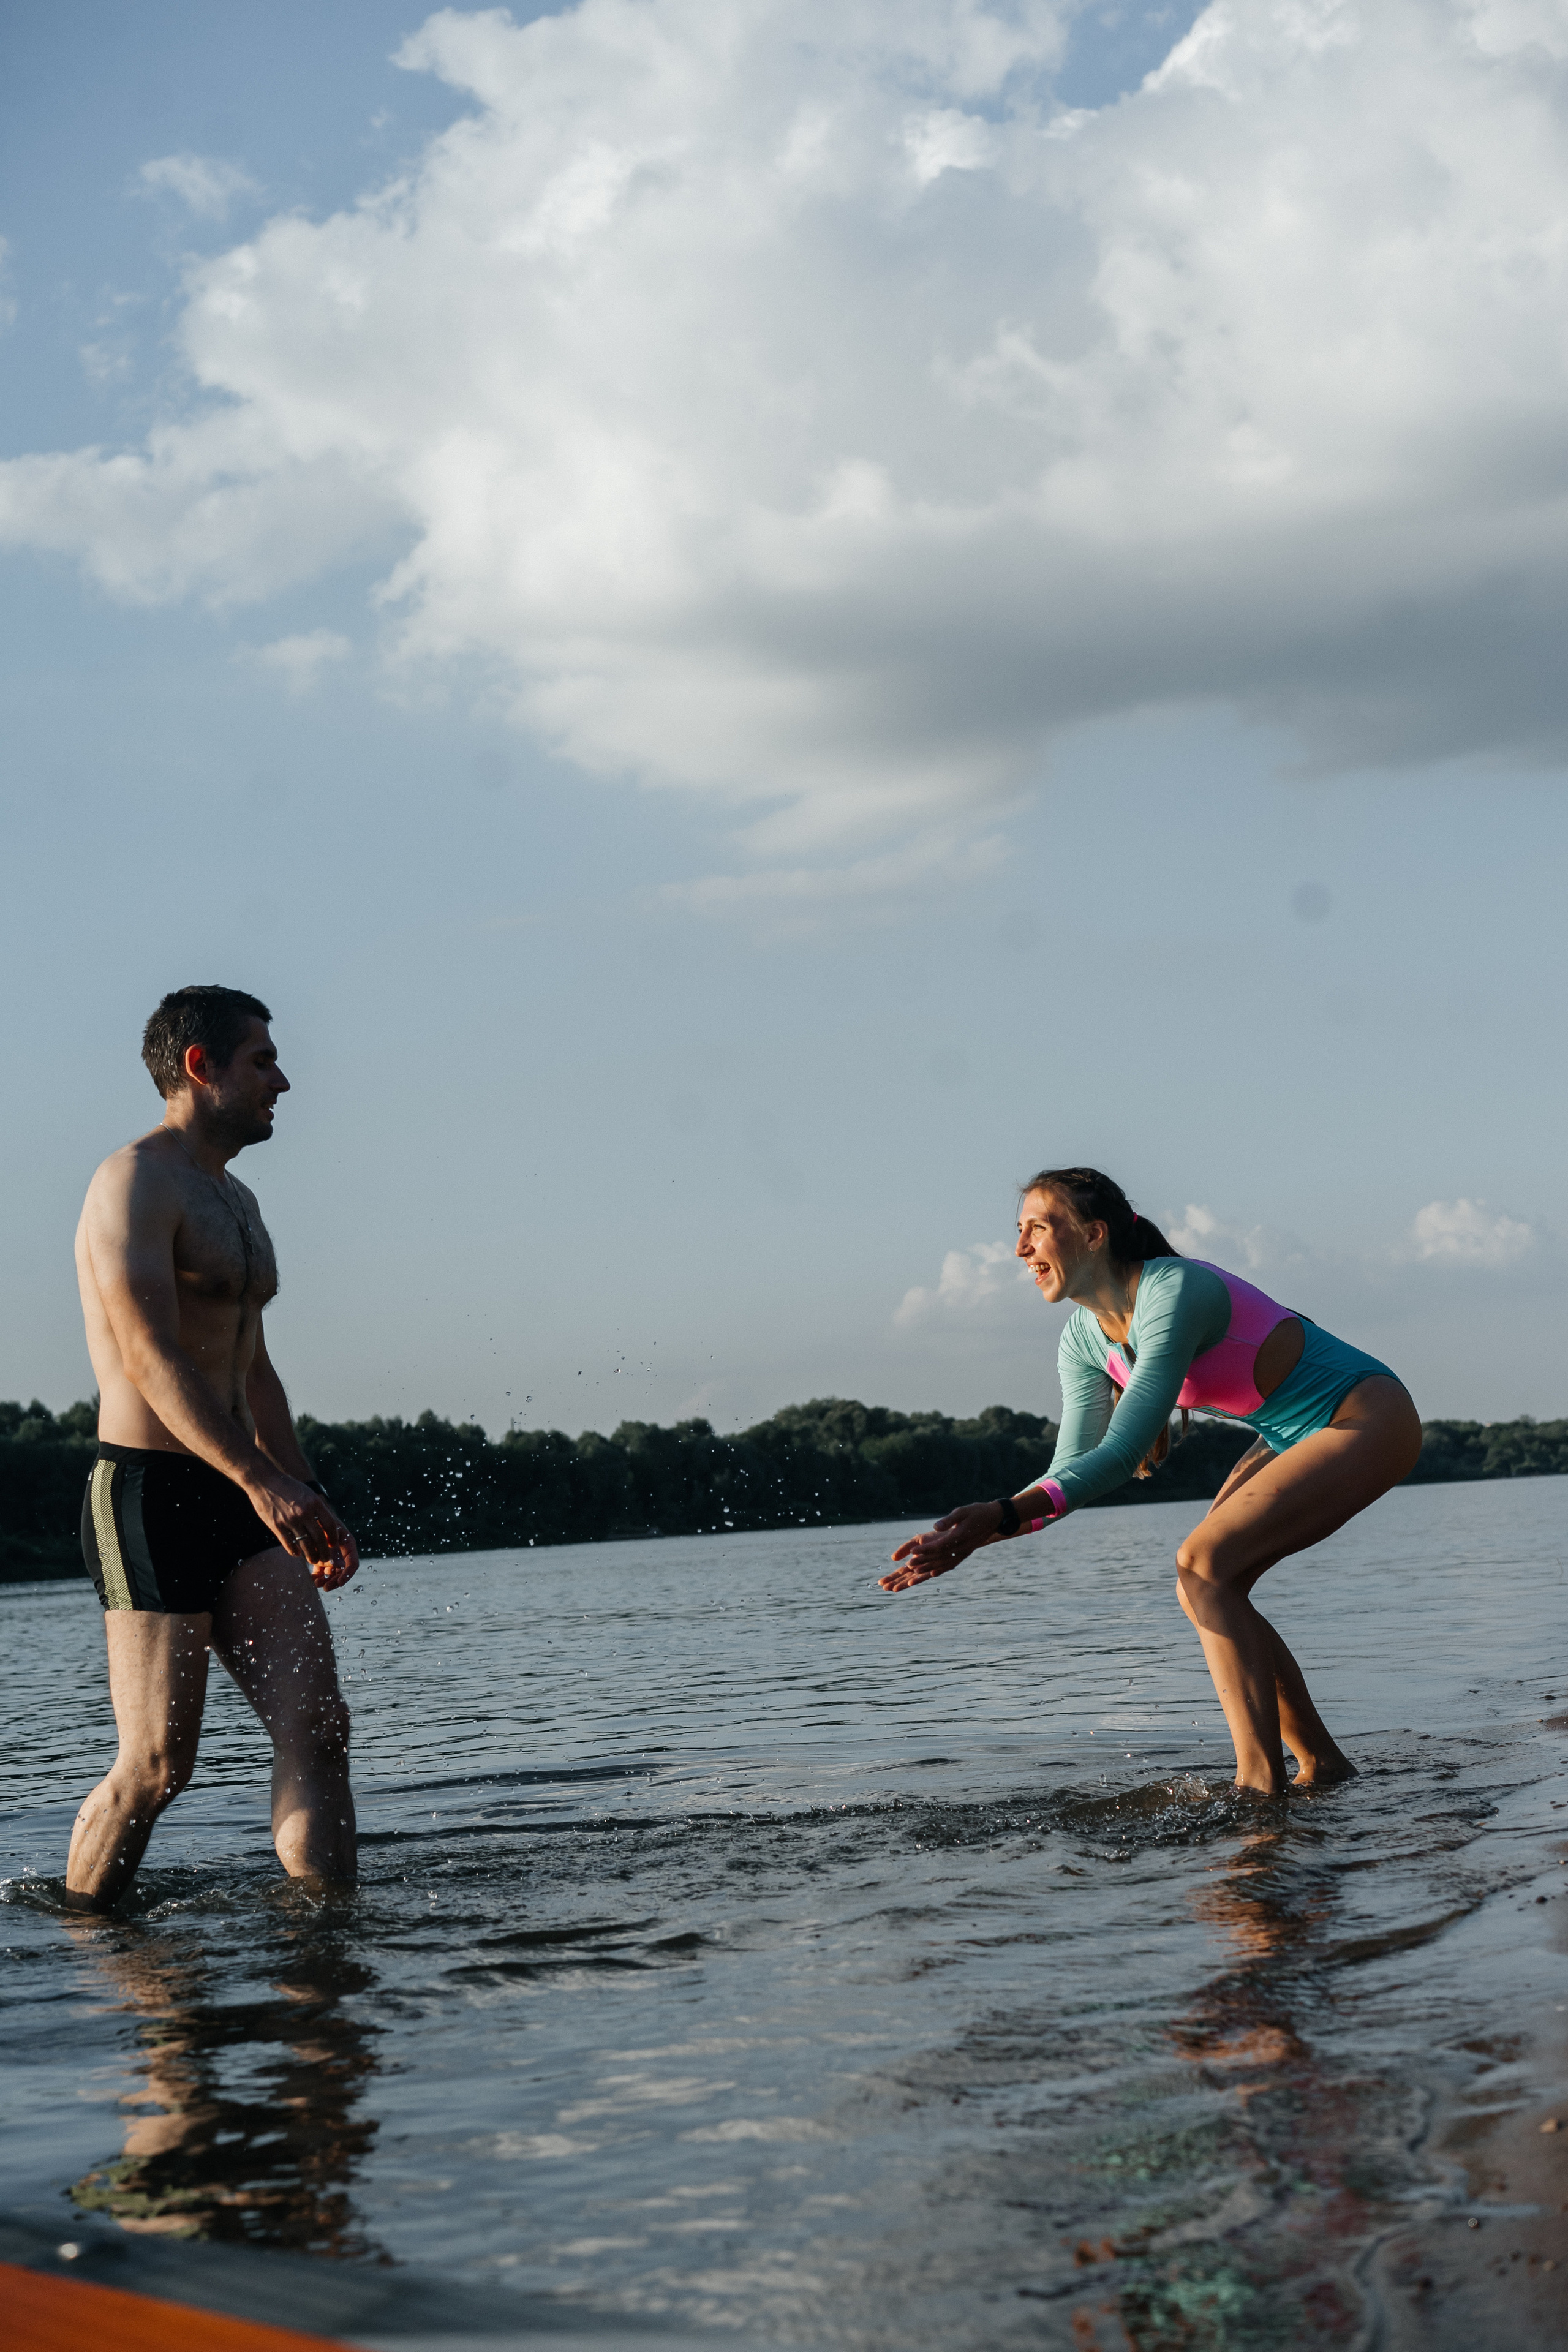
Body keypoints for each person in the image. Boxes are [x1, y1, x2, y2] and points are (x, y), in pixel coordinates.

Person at [881, 1167, 1422, 1796]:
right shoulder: (1083, 1340)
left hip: (1367, 1415)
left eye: (1036, 1229)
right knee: (1200, 1584)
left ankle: (1257, 1787)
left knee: (1204, 1565)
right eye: (1018, 1232)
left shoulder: (1174, 1290)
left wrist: (1001, 1512)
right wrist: (980, 1535)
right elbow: (1066, 1476)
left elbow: (1120, 1451)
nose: (1019, 1249)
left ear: (1092, 1235)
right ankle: (1319, 1764)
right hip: (1287, 1435)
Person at [67, 986, 360, 1910]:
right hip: (151, 1495)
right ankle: (86, 1937)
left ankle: (328, 1955)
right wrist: (261, 1479)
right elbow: (151, 1359)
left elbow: (254, 1367)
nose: (283, 1080)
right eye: (262, 1060)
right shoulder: (135, 1182)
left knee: (317, 1725)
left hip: (249, 1488)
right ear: (202, 1067)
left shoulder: (237, 1198)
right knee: (158, 1765)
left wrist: (302, 1490)